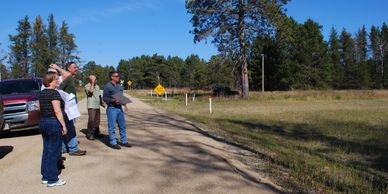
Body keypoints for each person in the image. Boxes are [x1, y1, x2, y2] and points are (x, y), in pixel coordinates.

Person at [38, 71, 67, 187]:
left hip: (43, 122)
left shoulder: (41, 93)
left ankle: (45, 176)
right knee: (54, 151)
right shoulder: (54, 94)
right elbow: (57, 111)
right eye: (56, 79)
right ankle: (53, 179)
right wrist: (63, 125)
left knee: (46, 150)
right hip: (53, 122)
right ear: (50, 81)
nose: (58, 80)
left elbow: (40, 108)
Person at [55, 62, 86, 156]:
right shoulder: (67, 77)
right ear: (68, 69)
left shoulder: (69, 78)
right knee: (70, 126)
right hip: (67, 105)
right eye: (74, 67)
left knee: (67, 126)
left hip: (69, 104)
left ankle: (64, 148)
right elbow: (59, 90)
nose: (76, 69)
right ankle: (73, 148)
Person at [103, 71, 132, 150]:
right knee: (112, 127)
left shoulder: (119, 87)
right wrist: (113, 100)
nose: (118, 77)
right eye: (116, 76)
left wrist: (125, 104)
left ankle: (124, 141)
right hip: (112, 109)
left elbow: (121, 97)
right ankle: (113, 142)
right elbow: (105, 98)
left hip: (119, 109)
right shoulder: (107, 86)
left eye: (118, 76)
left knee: (122, 126)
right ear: (112, 77)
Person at [84, 75, 104, 140]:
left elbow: (99, 96)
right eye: (95, 79)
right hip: (91, 106)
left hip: (97, 105)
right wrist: (92, 82)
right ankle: (90, 134)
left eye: (96, 79)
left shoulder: (97, 86)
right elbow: (91, 92)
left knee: (97, 120)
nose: (96, 80)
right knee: (91, 120)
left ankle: (96, 133)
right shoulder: (87, 86)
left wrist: (102, 104)